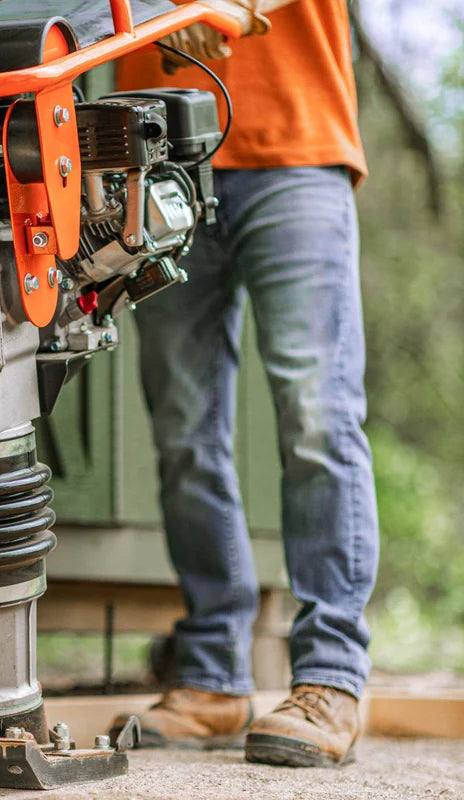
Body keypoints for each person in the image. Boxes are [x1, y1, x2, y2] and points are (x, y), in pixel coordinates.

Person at [112, 0, 379, 767]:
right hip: (158, 148)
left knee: (317, 412)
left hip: (297, 145)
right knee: (183, 425)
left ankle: (330, 677)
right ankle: (213, 675)